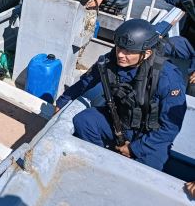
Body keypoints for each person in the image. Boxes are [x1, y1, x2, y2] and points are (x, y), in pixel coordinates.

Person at [55, 19, 187, 171]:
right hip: (120, 121)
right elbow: (86, 81)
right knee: (84, 121)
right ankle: (99, 166)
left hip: (151, 136)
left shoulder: (168, 78)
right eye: (119, 48)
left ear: (146, 53)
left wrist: (135, 149)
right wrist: (62, 102)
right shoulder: (109, 62)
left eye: (129, 51)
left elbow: (169, 128)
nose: (121, 55)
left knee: (147, 174)